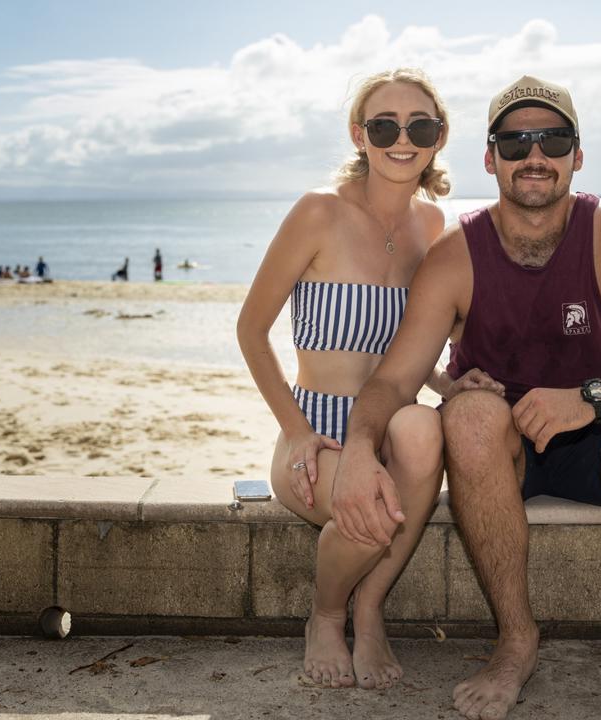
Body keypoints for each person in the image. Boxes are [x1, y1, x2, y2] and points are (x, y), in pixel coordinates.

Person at [332, 75, 601, 720]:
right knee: (469, 414)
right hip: (497, 456)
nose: (535, 155)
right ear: (490, 157)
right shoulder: (456, 256)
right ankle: (517, 641)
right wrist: (360, 452)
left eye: (552, 139)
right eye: (515, 140)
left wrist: (595, 397)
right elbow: (391, 381)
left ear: (576, 155)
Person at [238, 68, 470, 691]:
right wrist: (297, 433)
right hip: (315, 429)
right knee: (375, 507)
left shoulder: (434, 227)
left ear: (438, 137)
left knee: (424, 427)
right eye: (384, 124)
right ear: (359, 134)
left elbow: (423, 347)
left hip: (392, 426)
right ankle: (328, 613)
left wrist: (455, 385)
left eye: (419, 125)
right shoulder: (317, 212)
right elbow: (250, 330)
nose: (402, 137)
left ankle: (368, 614)